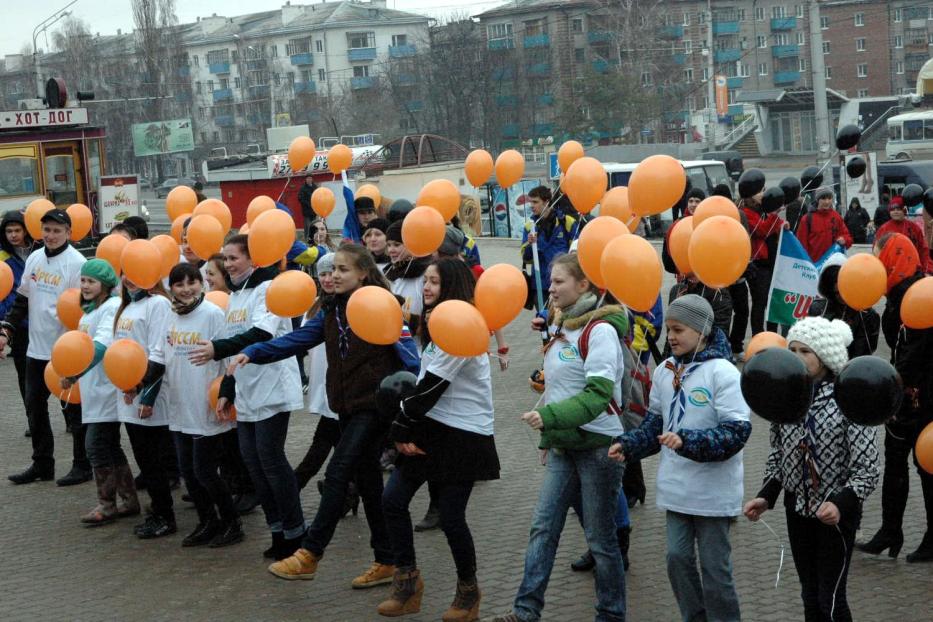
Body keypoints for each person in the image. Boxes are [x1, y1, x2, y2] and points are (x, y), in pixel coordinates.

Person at [230, 243, 419, 586]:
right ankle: (387, 560)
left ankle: (310, 553)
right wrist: (253, 352)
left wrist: (412, 414)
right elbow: (298, 340)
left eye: (343, 270)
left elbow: (409, 357)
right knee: (369, 484)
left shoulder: (380, 304)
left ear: (363, 273)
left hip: (374, 409)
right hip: (345, 408)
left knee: (336, 473)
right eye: (332, 270)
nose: (334, 276)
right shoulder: (332, 310)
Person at [487, 254, 626, 622]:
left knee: (600, 541)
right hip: (565, 446)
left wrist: (547, 419)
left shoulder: (601, 331)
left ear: (584, 285)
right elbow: (559, 389)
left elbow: (598, 396)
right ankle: (525, 610)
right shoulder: (562, 326)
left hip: (599, 447)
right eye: (551, 281)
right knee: (542, 528)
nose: (550, 288)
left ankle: (611, 614)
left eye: (559, 281)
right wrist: (549, 438)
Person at [610, 295, 750, 622]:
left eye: (679, 329)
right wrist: (629, 445)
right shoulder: (664, 370)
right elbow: (655, 422)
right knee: (676, 559)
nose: (670, 336)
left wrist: (688, 441)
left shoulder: (724, 373)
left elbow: (736, 432)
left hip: (713, 492)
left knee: (716, 570)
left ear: (702, 331)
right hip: (677, 490)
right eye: (669, 329)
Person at [378, 258, 500, 619]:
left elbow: (431, 387)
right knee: (393, 499)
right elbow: (422, 386)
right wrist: (405, 430)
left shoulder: (461, 326)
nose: (427, 287)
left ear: (453, 286)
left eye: (434, 281)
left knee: (450, 517)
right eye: (426, 281)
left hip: (464, 435)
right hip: (431, 426)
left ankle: (468, 592)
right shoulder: (435, 326)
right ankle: (407, 582)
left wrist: (399, 427)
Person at [744, 317, 880, 621]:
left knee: (829, 599)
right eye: (791, 349)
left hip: (835, 514)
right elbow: (780, 455)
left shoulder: (850, 399)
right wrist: (766, 495)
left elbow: (868, 468)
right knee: (809, 595)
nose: (796, 357)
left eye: (805, 351)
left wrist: (840, 502)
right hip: (799, 509)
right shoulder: (787, 397)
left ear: (825, 357)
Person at [189, 234, 306, 559]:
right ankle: (277, 530)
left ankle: (296, 532)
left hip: (273, 388)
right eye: (225, 259)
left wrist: (215, 350)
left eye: (234, 258)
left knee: (271, 461)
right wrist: (226, 389)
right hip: (246, 391)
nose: (228, 265)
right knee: (254, 466)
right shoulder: (235, 295)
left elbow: (261, 334)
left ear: (254, 259)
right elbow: (231, 349)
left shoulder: (268, 290)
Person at [857, 233, 933, 562]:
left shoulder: (923, 293)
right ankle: (890, 530)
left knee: (926, 465)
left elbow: (918, 351)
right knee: (895, 460)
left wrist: (892, 383)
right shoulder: (895, 295)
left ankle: (931, 536)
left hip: (924, 395)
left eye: (879, 256)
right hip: (904, 393)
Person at [1, 208, 89, 486]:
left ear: (69, 233)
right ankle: (42, 464)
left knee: (74, 412)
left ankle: (82, 464)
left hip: (66, 351)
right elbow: (22, 298)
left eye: (56, 230)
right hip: (35, 350)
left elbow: (84, 308)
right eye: (46, 230)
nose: (50, 235)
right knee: (34, 408)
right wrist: (8, 327)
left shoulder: (77, 263)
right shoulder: (36, 258)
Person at [66, 259, 139, 525]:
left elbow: (101, 345)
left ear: (106, 285)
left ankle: (107, 504)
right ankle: (129, 500)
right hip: (93, 390)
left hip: (106, 389)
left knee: (95, 446)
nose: (85, 286)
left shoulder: (110, 309)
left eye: (91, 281)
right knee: (109, 446)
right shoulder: (88, 311)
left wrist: (75, 370)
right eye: (83, 280)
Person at [113, 274, 177, 538]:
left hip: (149, 398)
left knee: (154, 461)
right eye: (125, 271)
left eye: (136, 270)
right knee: (144, 458)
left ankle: (165, 515)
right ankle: (158, 511)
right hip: (129, 396)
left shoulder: (158, 304)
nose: (130, 278)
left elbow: (158, 354)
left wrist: (146, 395)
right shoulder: (126, 305)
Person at [807, 253, 880, 357]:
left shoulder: (866, 315)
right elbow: (810, 345)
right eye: (836, 293)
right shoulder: (818, 309)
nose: (841, 297)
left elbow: (864, 351)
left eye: (843, 291)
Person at [0, 210, 33, 425]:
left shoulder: (38, 250)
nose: (13, 235)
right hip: (18, 324)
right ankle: (32, 418)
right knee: (24, 376)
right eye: (9, 231)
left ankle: (68, 414)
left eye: (17, 230)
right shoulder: (3, 256)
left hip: (42, 320)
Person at [520, 186, 575, 310]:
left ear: (546, 202)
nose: (531, 206)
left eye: (535, 202)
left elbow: (576, 254)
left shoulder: (566, 222)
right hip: (540, 286)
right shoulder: (530, 227)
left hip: (564, 284)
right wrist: (530, 245)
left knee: (563, 322)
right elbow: (526, 258)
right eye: (530, 202)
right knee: (544, 324)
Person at [740, 193, 784, 335]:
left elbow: (772, 229)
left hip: (770, 262)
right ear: (750, 194)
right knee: (760, 302)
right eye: (759, 190)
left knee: (771, 302)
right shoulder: (745, 212)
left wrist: (782, 224)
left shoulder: (763, 211)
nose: (762, 194)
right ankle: (758, 335)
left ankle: (772, 334)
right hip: (758, 264)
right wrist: (775, 215)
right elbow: (762, 230)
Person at [384, 220, 431, 333]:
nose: (391, 250)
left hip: (417, 346)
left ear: (411, 244)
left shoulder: (424, 274)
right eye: (388, 245)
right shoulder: (388, 272)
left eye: (397, 245)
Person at [875, 196, 933, 273]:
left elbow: (923, 250)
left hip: (912, 270)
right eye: (893, 209)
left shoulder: (914, 228)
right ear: (889, 212)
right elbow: (876, 251)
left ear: (904, 210)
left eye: (898, 209)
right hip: (890, 271)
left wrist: (926, 269)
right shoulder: (883, 229)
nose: (896, 212)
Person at [797, 187, 853, 262]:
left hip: (832, 264)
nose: (827, 202)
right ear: (817, 200)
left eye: (829, 198)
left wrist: (844, 240)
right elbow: (801, 245)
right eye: (823, 198)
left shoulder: (836, 217)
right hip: (814, 266)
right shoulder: (807, 219)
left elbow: (848, 238)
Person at [297, 175, 319, 240]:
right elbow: (300, 198)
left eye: (310, 178)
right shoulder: (303, 188)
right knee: (308, 225)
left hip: (314, 210)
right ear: (306, 180)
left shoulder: (315, 187)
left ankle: (314, 238)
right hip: (307, 210)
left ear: (312, 179)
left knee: (314, 225)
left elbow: (318, 196)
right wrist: (308, 204)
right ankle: (307, 238)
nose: (309, 180)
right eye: (308, 178)